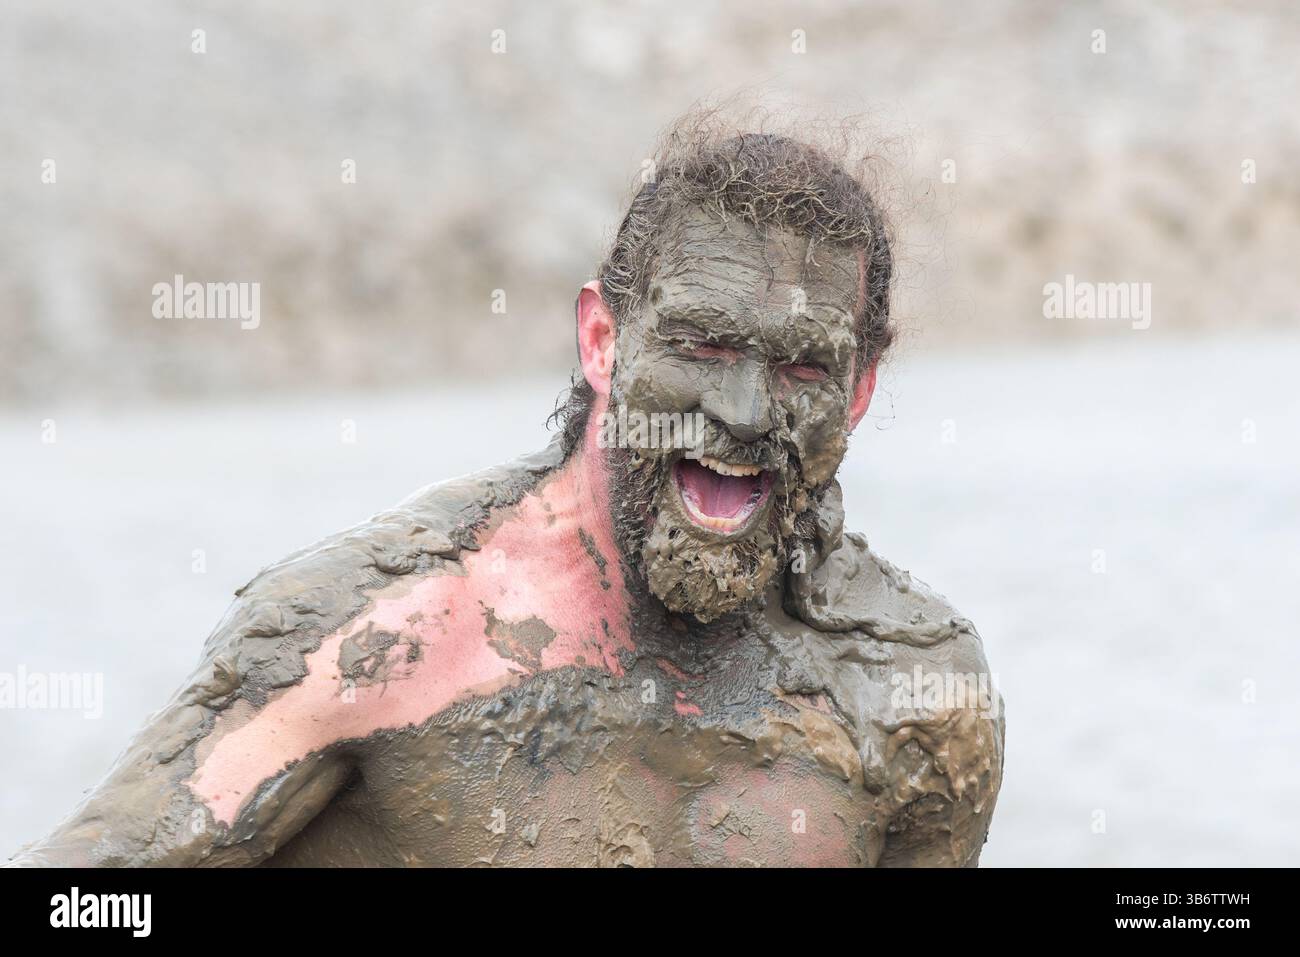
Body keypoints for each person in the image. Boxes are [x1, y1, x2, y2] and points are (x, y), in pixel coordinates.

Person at [10, 115, 1004, 867]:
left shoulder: (912, 700)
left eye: (800, 371)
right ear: (603, 342)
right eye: (703, 346)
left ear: (859, 390)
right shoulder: (379, 639)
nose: (744, 411)